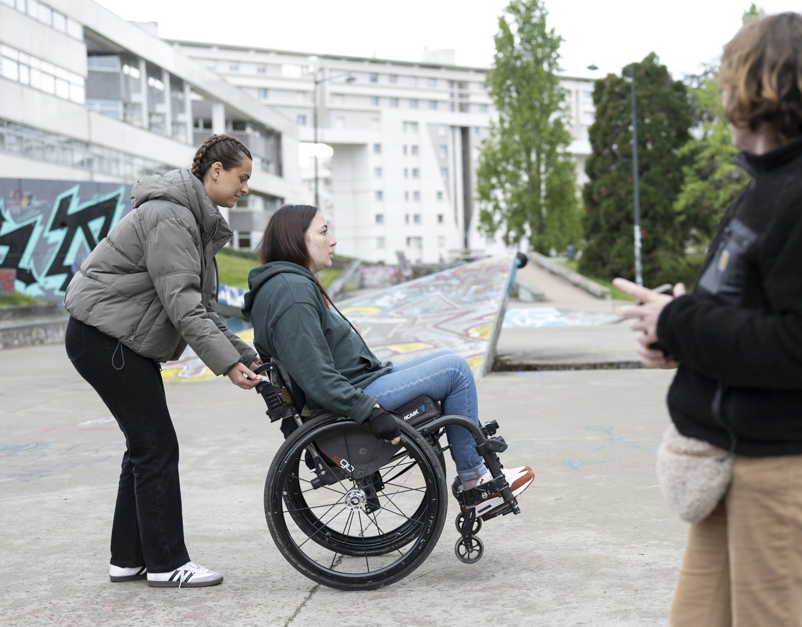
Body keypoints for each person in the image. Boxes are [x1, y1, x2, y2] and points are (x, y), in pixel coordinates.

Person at [613, 13, 802, 627]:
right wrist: (674, 330)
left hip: (788, 462)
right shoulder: (772, 186)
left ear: (762, 88)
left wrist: (682, 322)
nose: (721, 98)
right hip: (742, 455)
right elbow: (750, 312)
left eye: (728, 82)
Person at [64, 134, 263, 588]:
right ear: (216, 171)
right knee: (156, 445)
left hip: (111, 339)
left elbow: (205, 311)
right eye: (242, 177)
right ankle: (167, 562)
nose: (244, 188)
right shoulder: (170, 216)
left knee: (143, 446)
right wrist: (228, 366)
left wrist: (248, 355)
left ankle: (128, 558)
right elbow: (183, 304)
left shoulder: (191, 220)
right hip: (105, 338)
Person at [241, 204, 534, 511]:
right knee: (456, 370)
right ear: (295, 239)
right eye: (324, 231)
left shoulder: (286, 285)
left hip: (356, 385)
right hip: (350, 398)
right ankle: (475, 479)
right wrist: (369, 410)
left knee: (449, 357)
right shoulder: (292, 291)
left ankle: (475, 473)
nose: (333, 240)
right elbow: (317, 378)